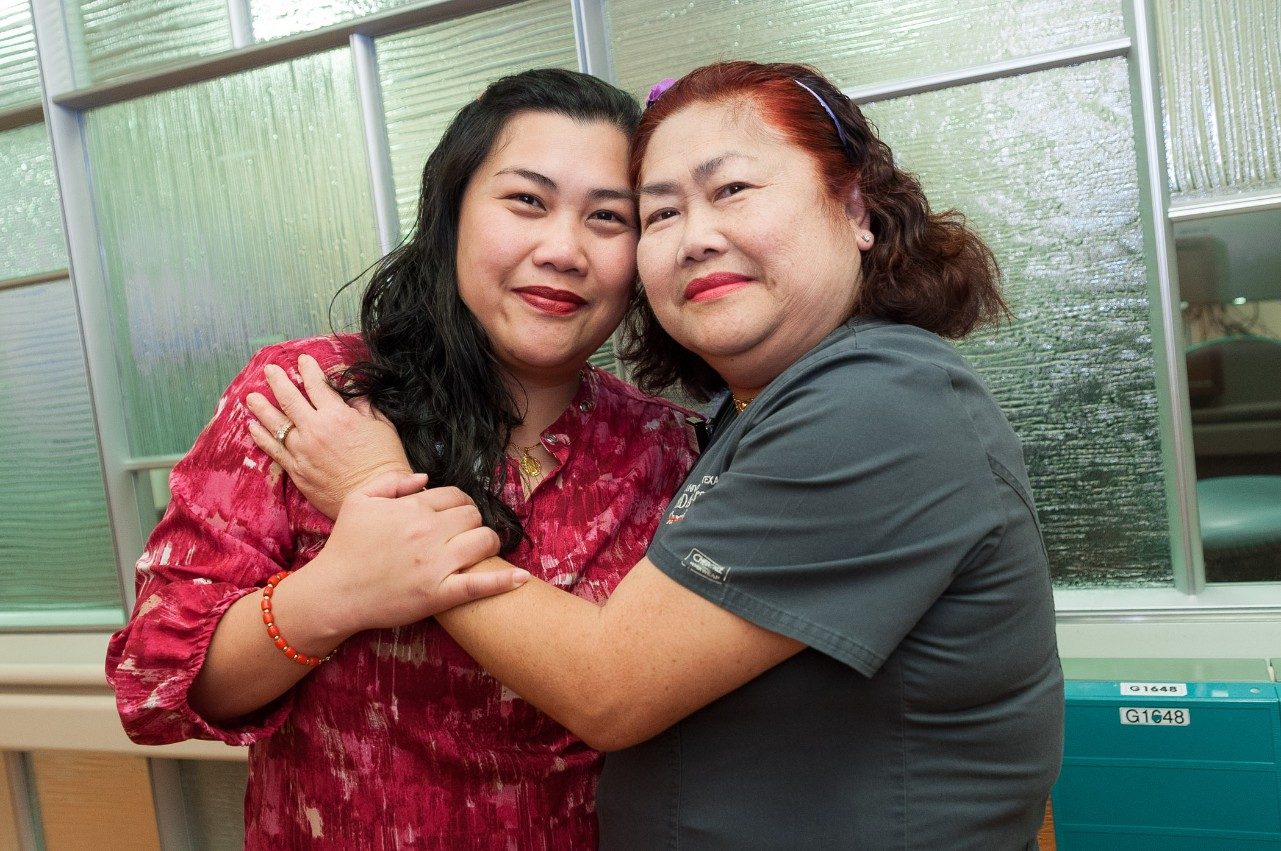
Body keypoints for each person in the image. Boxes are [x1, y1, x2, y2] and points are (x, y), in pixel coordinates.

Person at [261, 60, 1064, 849]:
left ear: (855, 210)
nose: (695, 238)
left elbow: (609, 686)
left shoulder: (876, 404)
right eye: (660, 214)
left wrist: (379, 488)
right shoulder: (747, 415)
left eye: (732, 189)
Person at [104, 68, 699, 850]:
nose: (563, 250)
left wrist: (383, 497)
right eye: (526, 200)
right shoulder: (311, 392)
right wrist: (335, 591)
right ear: (451, 216)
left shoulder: (668, 446)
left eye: (608, 218)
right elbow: (153, 686)